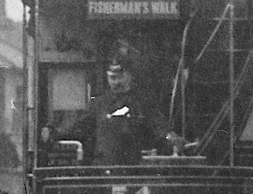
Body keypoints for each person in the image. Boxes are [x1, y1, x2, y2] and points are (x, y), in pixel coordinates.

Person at [51, 56, 185, 166]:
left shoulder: (143, 104)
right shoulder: (99, 105)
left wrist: (171, 138)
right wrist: (54, 133)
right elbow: (78, 127)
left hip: (135, 170)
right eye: (112, 78)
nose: (116, 82)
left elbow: (159, 127)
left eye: (120, 77)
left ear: (130, 76)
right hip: (104, 171)